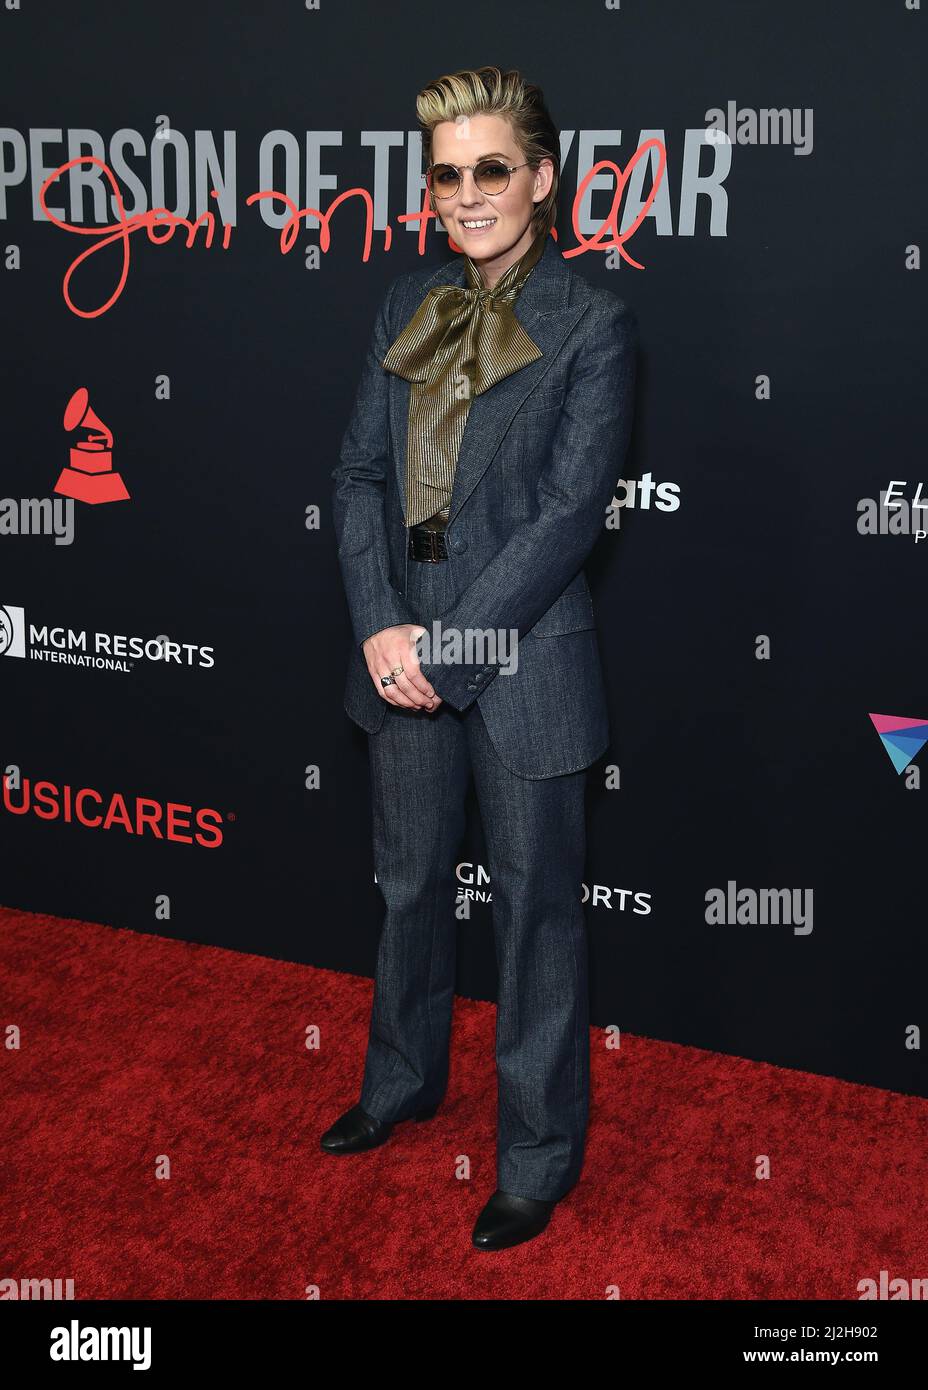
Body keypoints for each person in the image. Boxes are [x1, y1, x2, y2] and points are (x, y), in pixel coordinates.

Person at [325, 65, 638, 1251]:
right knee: (407, 892)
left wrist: (445, 652)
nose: (466, 193)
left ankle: (538, 1154)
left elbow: (566, 519)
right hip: (395, 651)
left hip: (520, 667)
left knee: (533, 915)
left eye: (490, 169)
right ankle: (401, 1080)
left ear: (541, 180)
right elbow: (355, 475)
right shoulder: (403, 298)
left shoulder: (593, 323)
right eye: (447, 173)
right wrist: (376, 624)